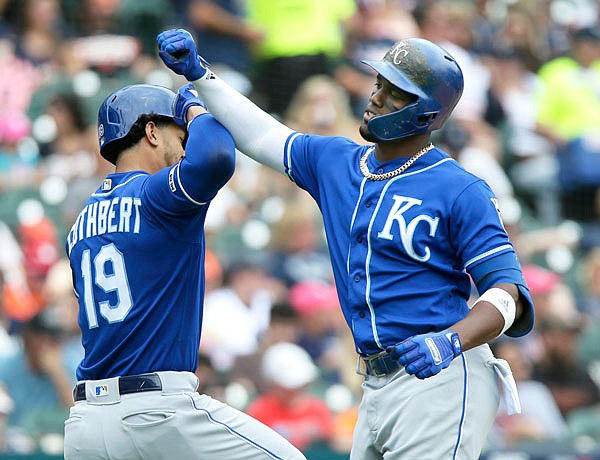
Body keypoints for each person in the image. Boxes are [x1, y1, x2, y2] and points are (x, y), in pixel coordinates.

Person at [157, 28, 535, 460]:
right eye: (380, 84)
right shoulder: (338, 161)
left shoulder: (459, 188)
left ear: (427, 115)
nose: (376, 97)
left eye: (395, 93)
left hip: (443, 377)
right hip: (373, 382)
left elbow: (509, 294)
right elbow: (265, 137)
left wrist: (451, 340)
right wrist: (200, 76)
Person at [63, 82, 305, 459]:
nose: (185, 145)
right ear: (152, 131)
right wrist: (194, 103)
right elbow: (217, 158)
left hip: (86, 425)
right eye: (181, 135)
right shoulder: (155, 195)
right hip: (155, 411)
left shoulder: (79, 224)